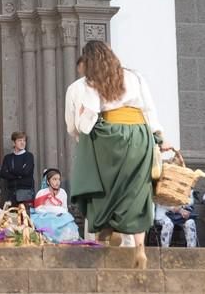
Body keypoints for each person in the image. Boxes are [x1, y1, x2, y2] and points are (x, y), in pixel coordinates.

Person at [65, 41, 170, 269]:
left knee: (107, 190)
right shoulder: (135, 77)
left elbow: (87, 122)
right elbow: (149, 109)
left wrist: (82, 119)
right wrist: (160, 137)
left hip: (110, 138)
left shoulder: (92, 82)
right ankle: (140, 247)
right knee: (138, 190)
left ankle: (108, 229)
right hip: (140, 134)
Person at [31, 168, 80, 243]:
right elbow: (38, 210)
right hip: (45, 218)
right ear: (48, 181)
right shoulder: (41, 193)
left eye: (59, 179)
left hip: (59, 217)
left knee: (68, 220)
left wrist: (58, 212)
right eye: (54, 179)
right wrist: (51, 211)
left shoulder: (62, 192)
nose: (57, 182)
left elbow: (64, 209)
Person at [0, 131, 35, 207]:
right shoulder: (8, 158)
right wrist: (19, 175)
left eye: (24, 140)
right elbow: (3, 173)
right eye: (19, 140)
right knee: (11, 216)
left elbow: (26, 172)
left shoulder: (29, 156)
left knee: (25, 217)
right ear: (14, 142)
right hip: (11, 194)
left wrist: (11, 171)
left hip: (25, 193)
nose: (22, 143)